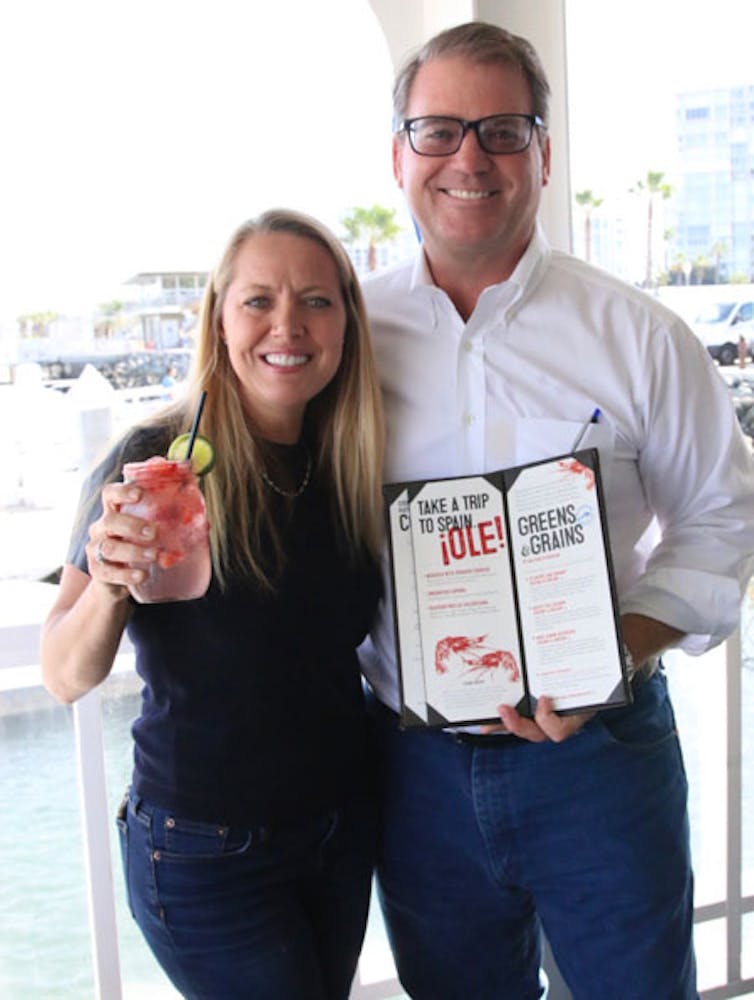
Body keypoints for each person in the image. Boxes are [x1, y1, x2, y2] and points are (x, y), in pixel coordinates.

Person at [358, 21, 754, 1000]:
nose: (469, 158)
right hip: (409, 767)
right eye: (438, 129)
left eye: (501, 130)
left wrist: (611, 647)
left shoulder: (639, 337)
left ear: (543, 153)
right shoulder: (342, 338)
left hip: (598, 760)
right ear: (398, 154)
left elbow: (722, 515)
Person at [41, 209, 385, 1000]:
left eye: (316, 301)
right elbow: (63, 675)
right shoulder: (152, 461)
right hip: (205, 848)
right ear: (221, 320)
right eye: (258, 300)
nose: (287, 325)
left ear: (347, 323)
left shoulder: (347, 456)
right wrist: (113, 583)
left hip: (340, 827)